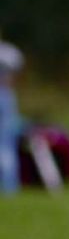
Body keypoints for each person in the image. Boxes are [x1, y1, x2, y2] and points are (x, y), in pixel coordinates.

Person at [0, 35, 24, 194]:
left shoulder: (9, 52)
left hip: (5, 96)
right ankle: (10, 185)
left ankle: (9, 185)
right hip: (5, 95)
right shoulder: (10, 52)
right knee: (6, 143)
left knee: (5, 143)